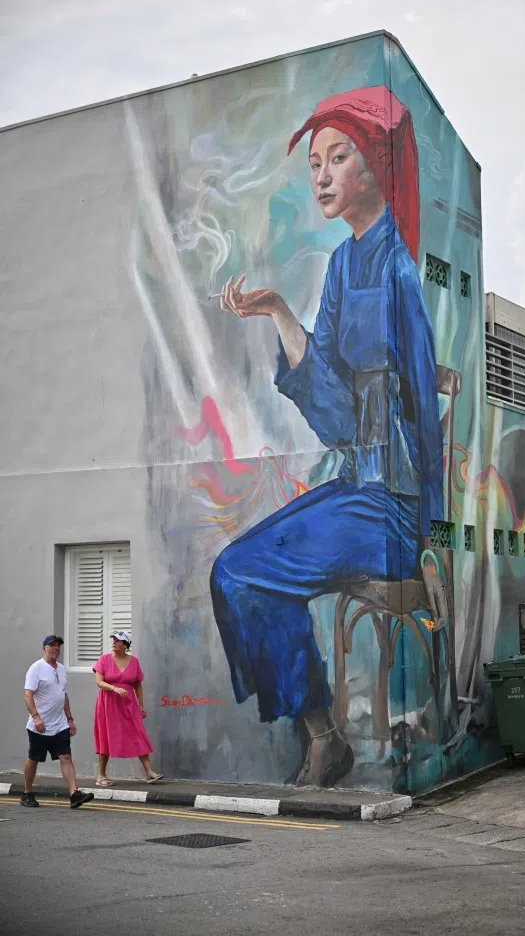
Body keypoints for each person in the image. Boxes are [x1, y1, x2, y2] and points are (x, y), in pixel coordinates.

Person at [211, 85, 447, 787]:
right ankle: (322, 732)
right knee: (236, 571)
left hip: (392, 505)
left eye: (337, 158)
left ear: (373, 166)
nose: (320, 175)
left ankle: (322, 741)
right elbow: (336, 410)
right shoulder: (344, 264)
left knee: (245, 569)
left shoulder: (399, 273)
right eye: (314, 163)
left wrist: (424, 523)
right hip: (355, 486)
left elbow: (421, 412)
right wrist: (282, 313)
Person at [22, 635, 95, 809]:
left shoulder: (61, 669)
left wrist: (69, 719)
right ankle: (27, 793)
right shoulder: (36, 668)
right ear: (44, 648)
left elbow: (63, 695)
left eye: (58, 646)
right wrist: (36, 717)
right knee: (34, 759)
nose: (56, 648)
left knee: (66, 756)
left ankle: (74, 794)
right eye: (52, 645)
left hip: (59, 723)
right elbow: (28, 695)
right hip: (40, 726)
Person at [92, 631, 163, 785]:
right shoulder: (104, 660)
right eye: (114, 639)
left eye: (118, 641)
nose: (114, 642)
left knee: (138, 732)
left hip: (128, 703)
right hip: (108, 703)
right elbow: (98, 681)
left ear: (125, 645)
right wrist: (114, 688)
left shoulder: (134, 662)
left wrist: (141, 705)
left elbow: (137, 684)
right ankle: (101, 776)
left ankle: (149, 772)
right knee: (106, 735)